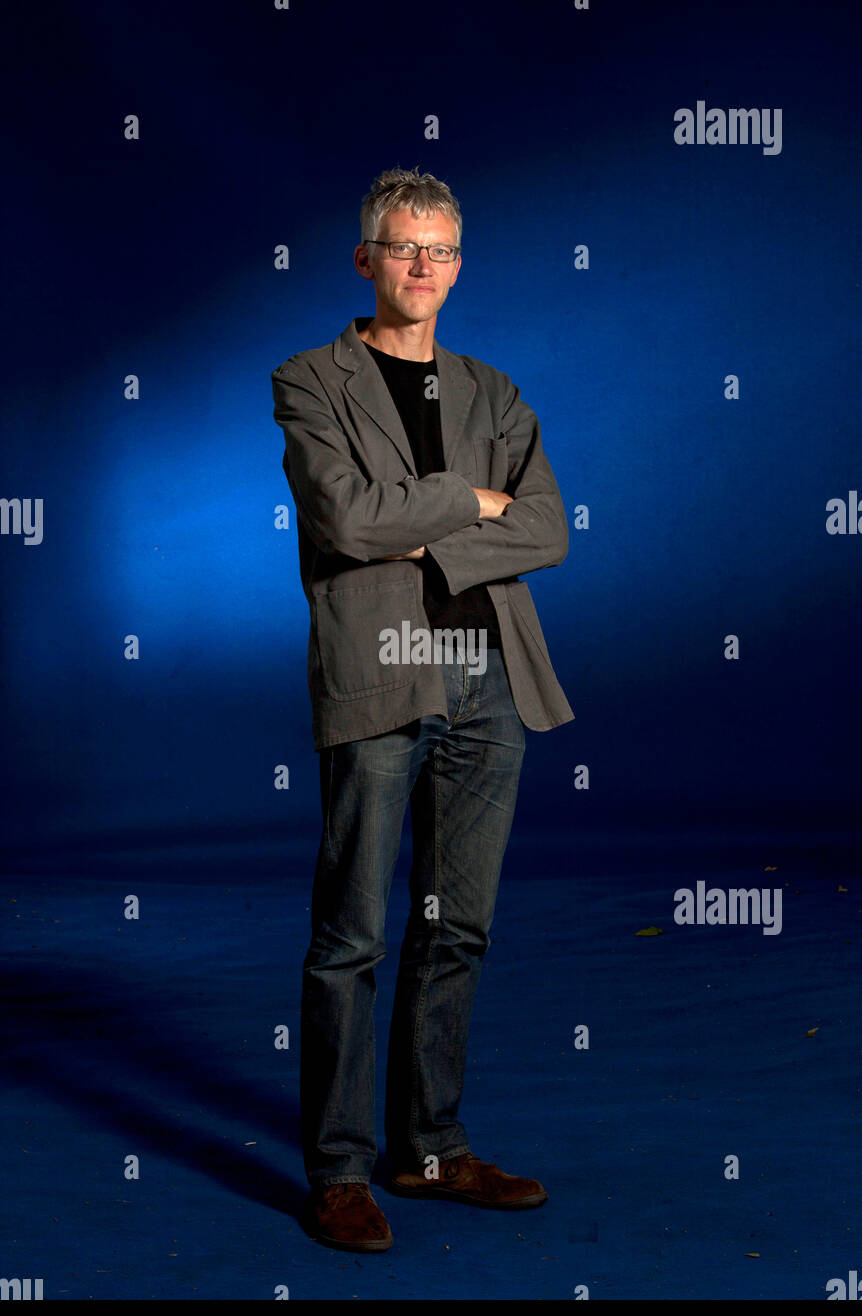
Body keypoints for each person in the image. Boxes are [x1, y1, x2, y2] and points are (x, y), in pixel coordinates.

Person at [271, 166, 574, 1252]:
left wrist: (427, 525)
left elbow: (546, 530)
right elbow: (347, 522)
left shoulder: (491, 390)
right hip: (381, 671)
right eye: (402, 247)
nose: (420, 267)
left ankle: (428, 1146)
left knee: (457, 924)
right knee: (349, 932)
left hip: (488, 678)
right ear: (365, 259)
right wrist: (465, 499)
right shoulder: (310, 379)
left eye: (439, 250)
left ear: (457, 264)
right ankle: (339, 1169)